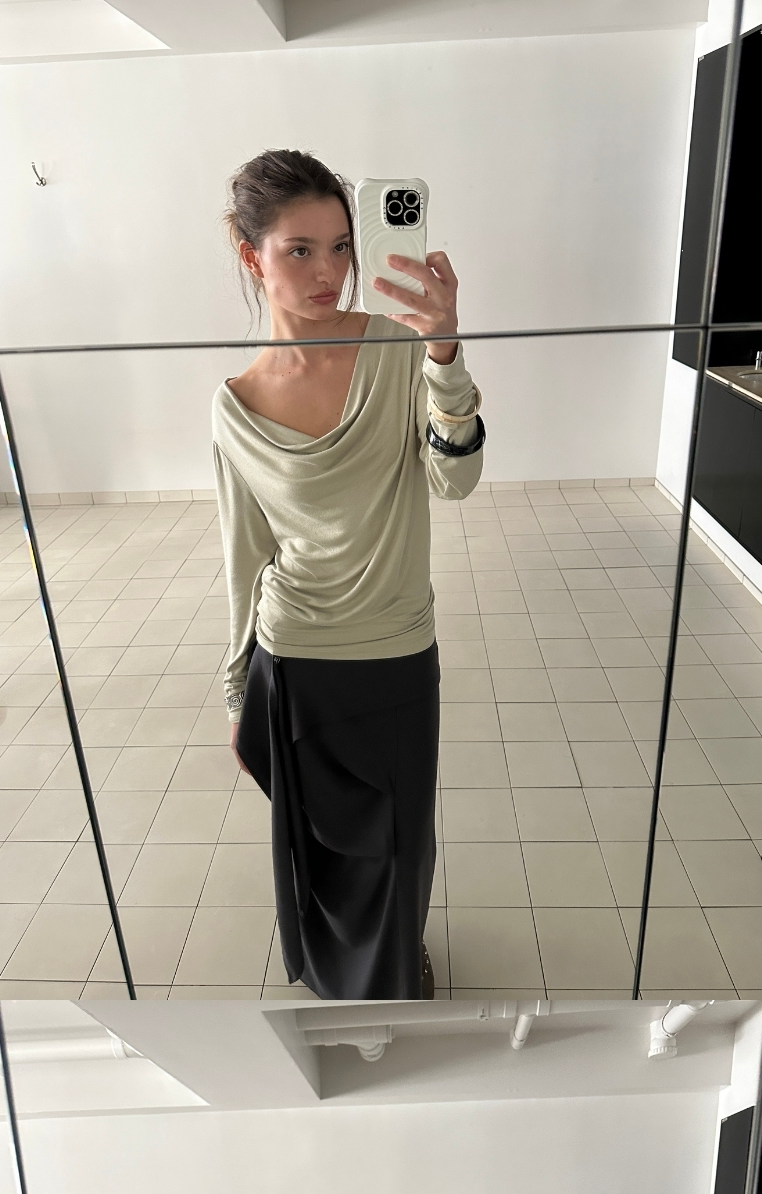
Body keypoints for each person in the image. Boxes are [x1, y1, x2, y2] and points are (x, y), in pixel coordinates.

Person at [213, 147, 486, 1002]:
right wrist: (237, 691)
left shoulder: (399, 346)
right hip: (295, 659)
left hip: (396, 648)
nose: (329, 271)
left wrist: (445, 354)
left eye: (340, 246)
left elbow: (455, 480)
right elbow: (244, 556)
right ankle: (336, 982)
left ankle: (394, 970)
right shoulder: (235, 403)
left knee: (402, 846)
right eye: (299, 250)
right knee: (319, 847)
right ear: (251, 255)